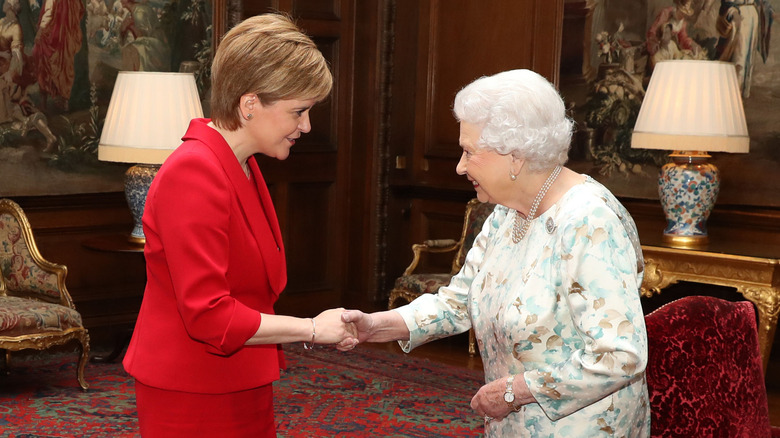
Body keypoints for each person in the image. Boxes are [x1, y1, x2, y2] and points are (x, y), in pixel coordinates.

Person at [341, 69, 650, 437]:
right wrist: (376, 326)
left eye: (469, 151)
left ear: (516, 156)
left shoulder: (590, 220)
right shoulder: (506, 213)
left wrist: (512, 391)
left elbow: (619, 356)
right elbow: (460, 302)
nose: (459, 166)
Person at [122, 14, 356, 437]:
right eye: (298, 111)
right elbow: (209, 315)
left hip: (240, 378)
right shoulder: (193, 172)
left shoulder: (240, 163)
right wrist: (312, 329)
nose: (306, 126)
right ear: (250, 105)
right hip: (192, 391)